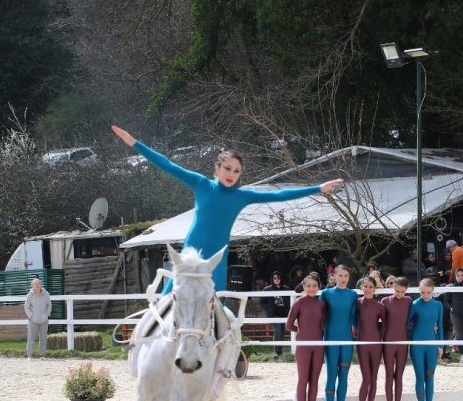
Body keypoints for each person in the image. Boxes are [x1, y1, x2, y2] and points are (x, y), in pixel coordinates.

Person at [112, 125, 342, 292]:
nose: (231, 174)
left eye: (236, 171)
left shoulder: (242, 196)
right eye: (228, 169)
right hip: (191, 252)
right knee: (165, 298)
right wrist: (134, 143)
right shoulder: (201, 184)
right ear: (217, 169)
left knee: (218, 305)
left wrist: (318, 188)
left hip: (218, 258)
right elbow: (167, 164)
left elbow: (279, 195)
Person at [320, 264, 358, 401]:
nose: (343, 279)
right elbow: (320, 317)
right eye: (340, 275)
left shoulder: (353, 295)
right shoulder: (326, 293)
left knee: (344, 376)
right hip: (331, 338)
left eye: (346, 276)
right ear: (334, 276)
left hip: (347, 340)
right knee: (331, 374)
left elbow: (355, 318)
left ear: (349, 278)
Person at [285, 276, 326, 401]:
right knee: (303, 379)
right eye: (308, 286)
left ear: (319, 286)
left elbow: (323, 324)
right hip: (303, 345)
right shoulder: (299, 302)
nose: (312, 288)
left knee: (314, 380)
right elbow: (288, 325)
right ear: (303, 286)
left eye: (315, 285)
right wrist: (301, 330)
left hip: (319, 345)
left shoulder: (321, 303)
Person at [407, 278, 444, 401]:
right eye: (422, 292)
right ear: (419, 291)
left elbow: (440, 326)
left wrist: (440, 346)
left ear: (433, 290)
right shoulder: (415, 304)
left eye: (428, 292)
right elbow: (406, 324)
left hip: (432, 345)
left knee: (430, 376)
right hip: (417, 345)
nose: (426, 295)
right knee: (420, 376)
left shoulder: (438, 305)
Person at [381, 276, 411, 401]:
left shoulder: (408, 301)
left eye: (402, 292)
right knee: (388, 375)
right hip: (388, 342)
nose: (399, 294)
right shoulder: (385, 301)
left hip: (403, 343)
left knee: (399, 376)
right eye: (397, 290)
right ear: (393, 287)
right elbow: (380, 324)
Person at [356, 277, 385, 401]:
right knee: (366, 378)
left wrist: (379, 337)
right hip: (362, 343)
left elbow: (385, 325)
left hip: (376, 344)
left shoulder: (379, 306)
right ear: (361, 287)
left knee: (374, 378)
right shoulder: (356, 303)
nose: (367, 289)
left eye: (370, 287)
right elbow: (351, 319)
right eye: (365, 286)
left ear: (375, 289)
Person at [260, 271, 291, 357]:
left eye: (278, 278)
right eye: (275, 278)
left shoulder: (286, 289)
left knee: (281, 332)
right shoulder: (267, 289)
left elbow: (290, 301)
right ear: (272, 279)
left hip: (284, 314)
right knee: (277, 330)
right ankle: (276, 351)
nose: (277, 280)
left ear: (281, 279)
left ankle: (279, 351)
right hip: (273, 314)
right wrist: (269, 309)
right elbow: (262, 302)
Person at [24, 278, 52, 360]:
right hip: (33, 320)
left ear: (40, 284)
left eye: (38, 283)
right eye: (35, 284)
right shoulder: (29, 295)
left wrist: (47, 315)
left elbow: (49, 305)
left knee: (43, 338)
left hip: (44, 320)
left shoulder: (46, 294)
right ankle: (29, 355)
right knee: (31, 338)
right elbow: (26, 307)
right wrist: (31, 316)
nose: (37, 285)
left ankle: (42, 355)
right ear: (32, 285)